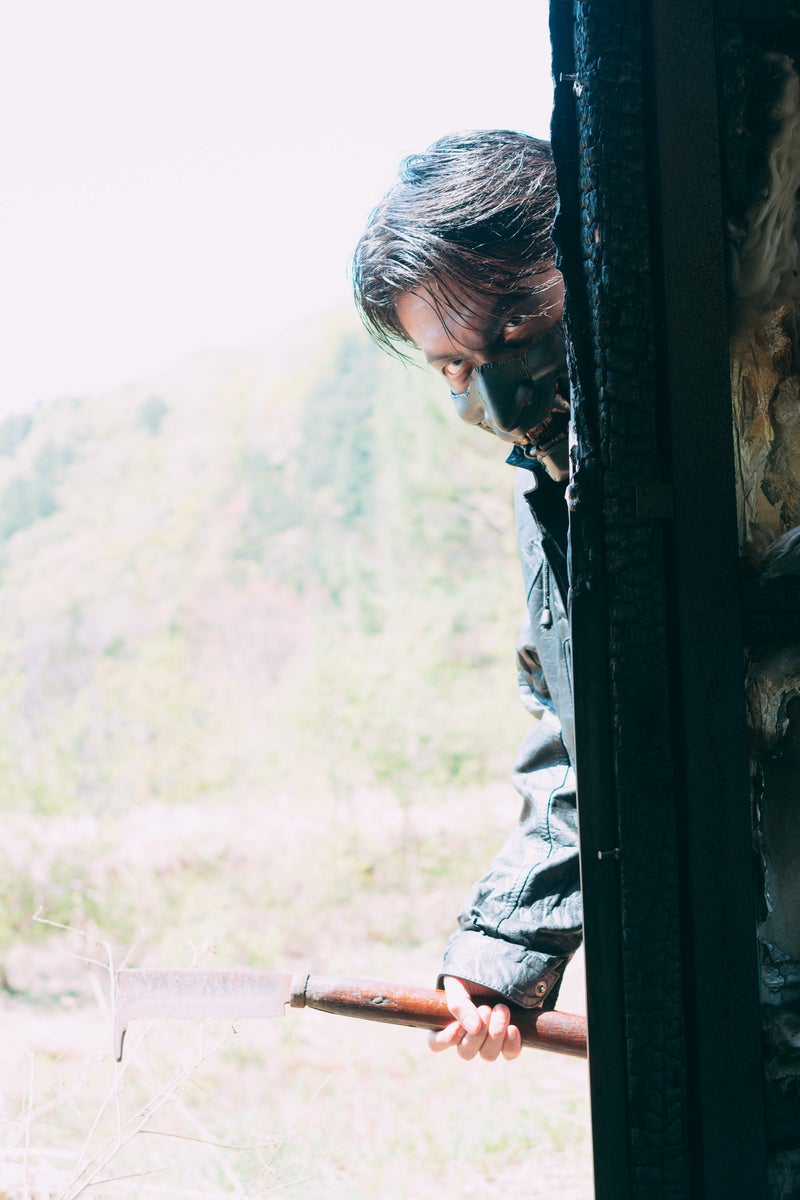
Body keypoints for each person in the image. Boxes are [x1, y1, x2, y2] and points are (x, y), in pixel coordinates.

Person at [351, 130, 582, 1063]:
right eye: (451, 364)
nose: (489, 377)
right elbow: (582, 736)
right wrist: (505, 949)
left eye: (519, 322)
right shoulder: (552, 491)